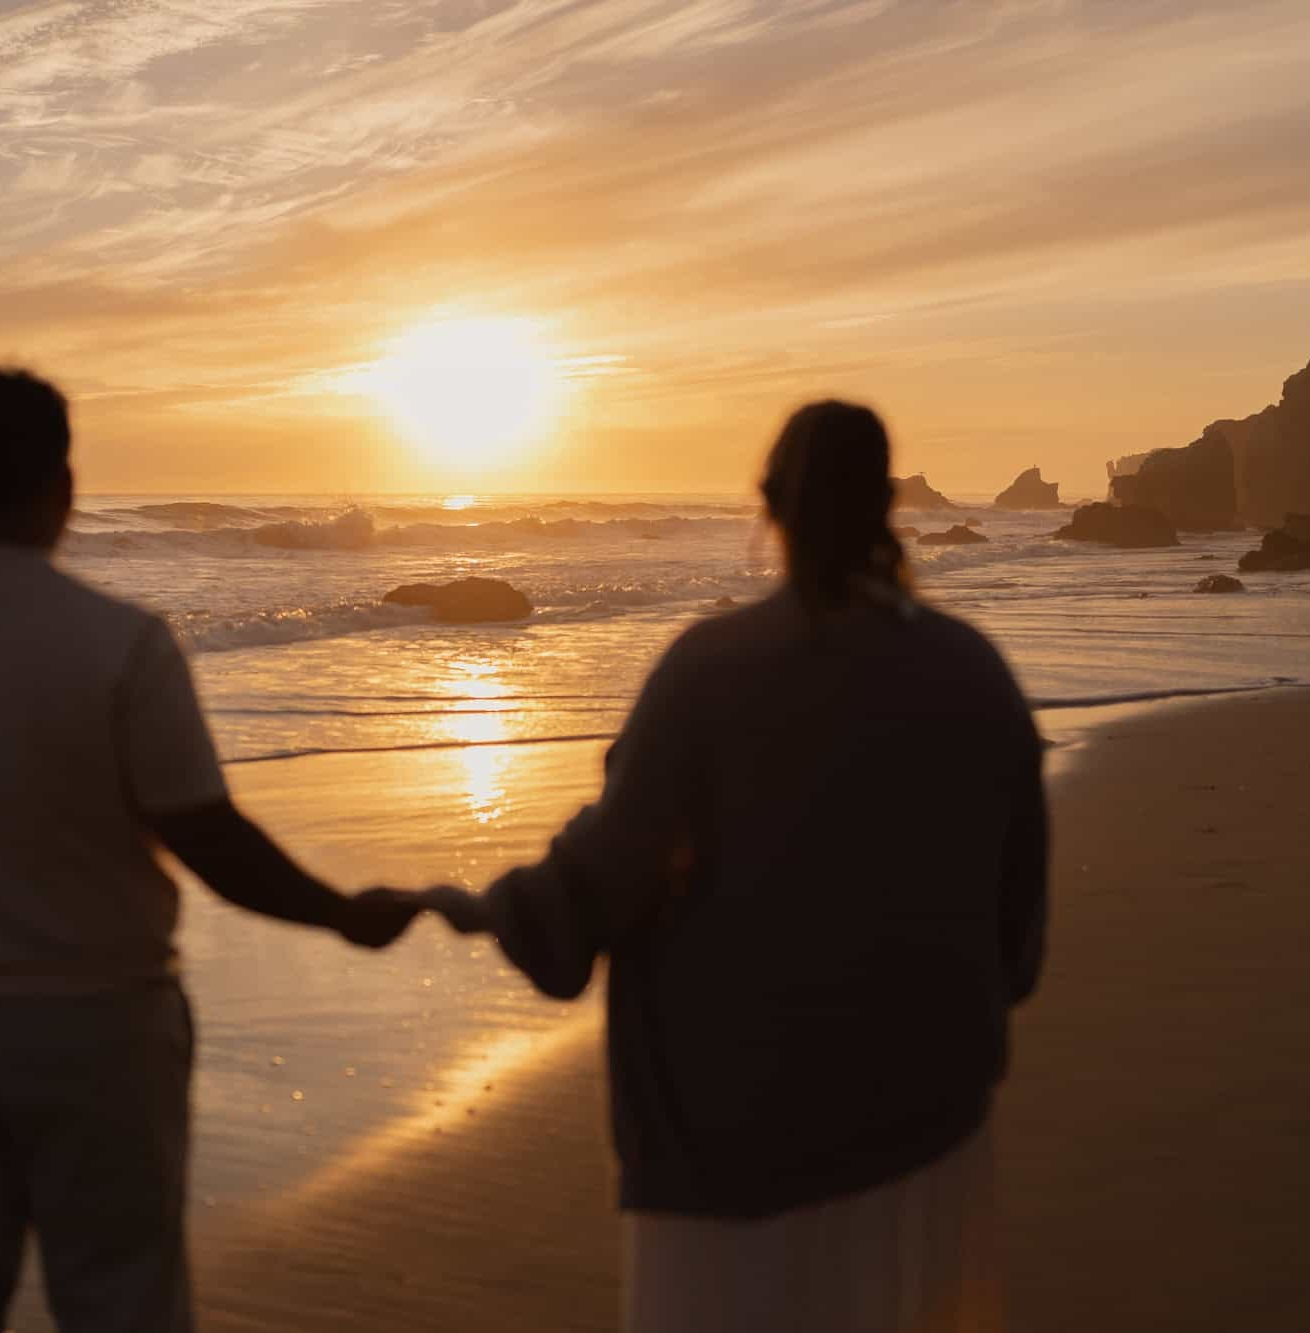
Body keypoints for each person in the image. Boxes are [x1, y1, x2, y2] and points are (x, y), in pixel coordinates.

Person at [0, 368, 421, 1333]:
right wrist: (339, 910)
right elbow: (204, 833)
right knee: (122, 1300)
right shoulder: (120, 641)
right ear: (66, 483)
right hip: (98, 1028)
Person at [430, 400, 1048, 1332]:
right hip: (927, 1133)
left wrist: (486, 906)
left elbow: (601, 876)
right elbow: (1018, 935)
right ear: (887, 502)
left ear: (770, 502)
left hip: (732, 1144)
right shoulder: (973, 671)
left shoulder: (707, 672)